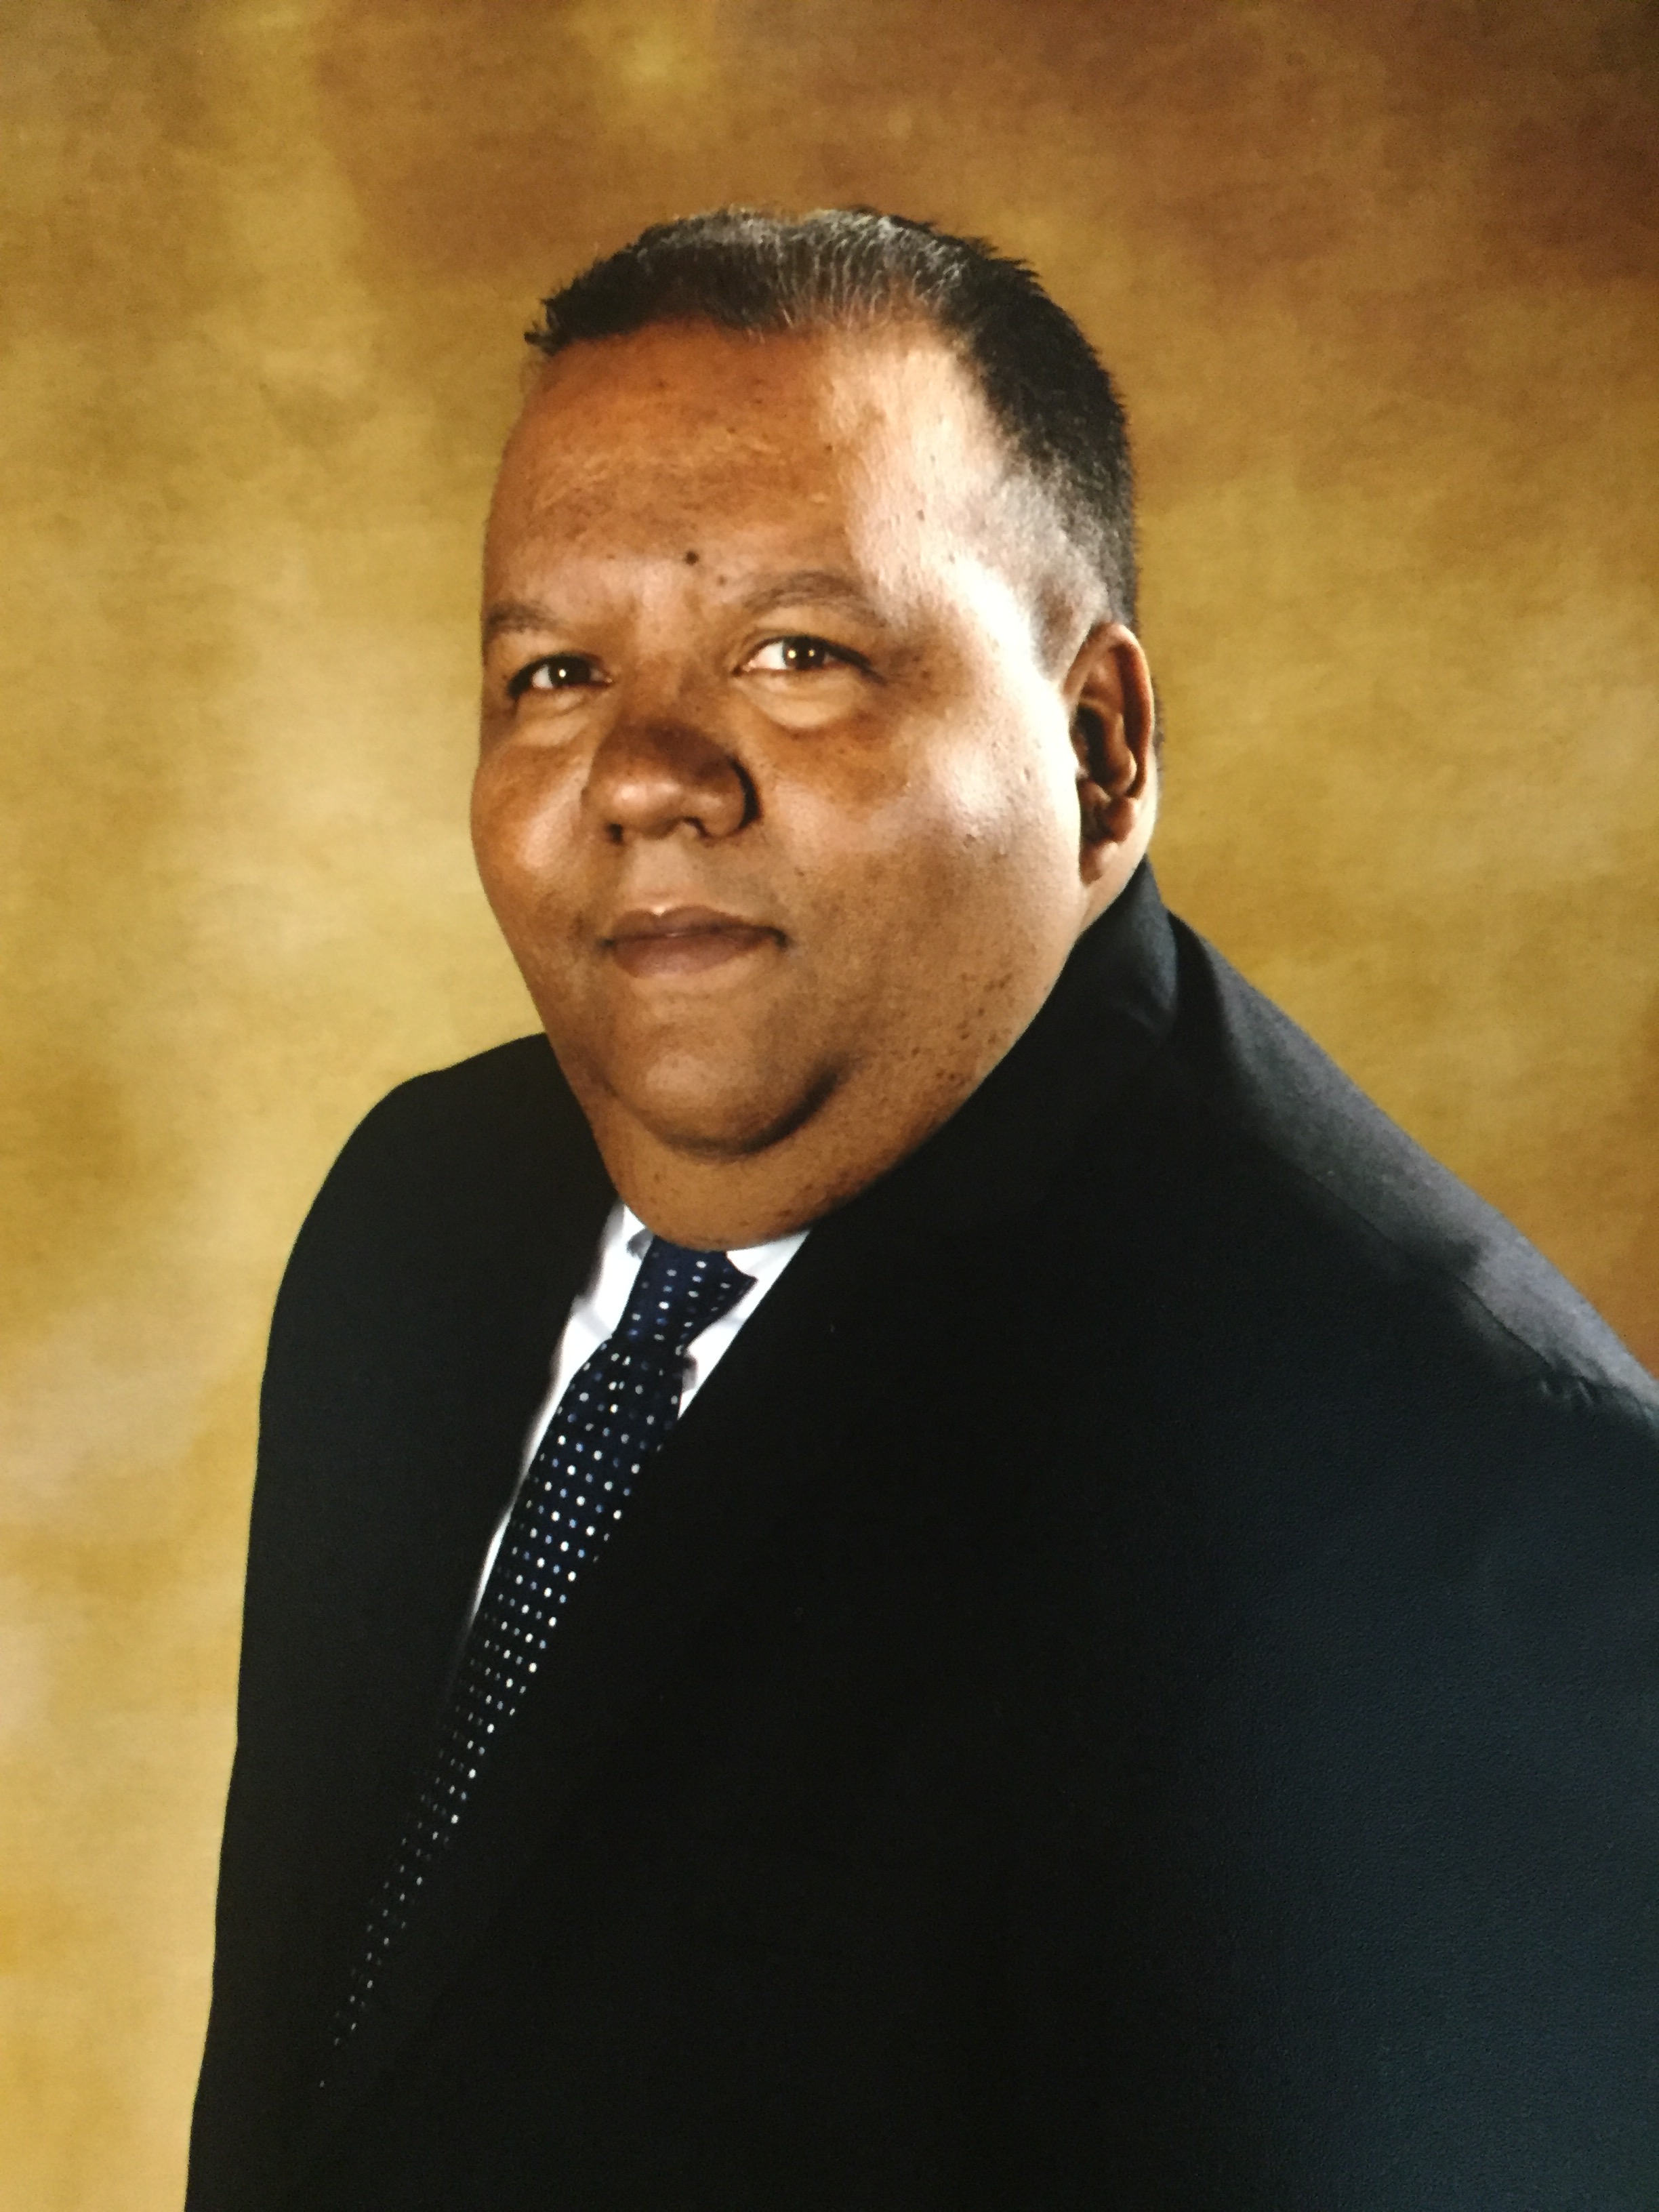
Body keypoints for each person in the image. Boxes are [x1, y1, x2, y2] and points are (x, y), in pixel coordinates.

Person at [186, 209, 1659, 2211]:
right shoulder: (422, 1219)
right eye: (555, 672)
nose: (644, 775)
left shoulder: (1466, 1515)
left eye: (798, 656)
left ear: (1099, 750)